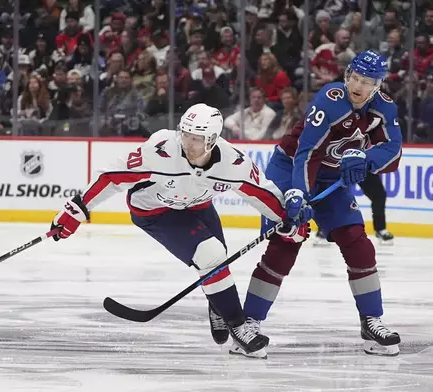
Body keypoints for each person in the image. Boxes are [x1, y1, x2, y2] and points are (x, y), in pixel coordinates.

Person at [48, 103, 311, 359]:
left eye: (196, 138)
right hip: (155, 212)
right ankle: (239, 326)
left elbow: (261, 193)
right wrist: (75, 211)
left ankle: (218, 304)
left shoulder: (234, 163)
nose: (187, 142)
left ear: (212, 140)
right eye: (184, 134)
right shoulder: (160, 150)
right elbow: (111, 177)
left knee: (218, 260)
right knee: (211, 255)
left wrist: (288, 220)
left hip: (198, 205)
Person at [237, 51, 403, 357]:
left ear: (377, 85)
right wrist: (298, 193)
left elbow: (393, 150)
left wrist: (365, 159)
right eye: (354, 77)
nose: (358, 85)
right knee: (286, 243)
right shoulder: (330, 99)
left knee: (358, 243)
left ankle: (371, 321)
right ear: (347, 75)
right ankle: (248, 324)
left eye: (366, 82)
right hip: (290, 169)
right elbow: (306, 153)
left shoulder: (384, 108)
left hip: (331, 177)